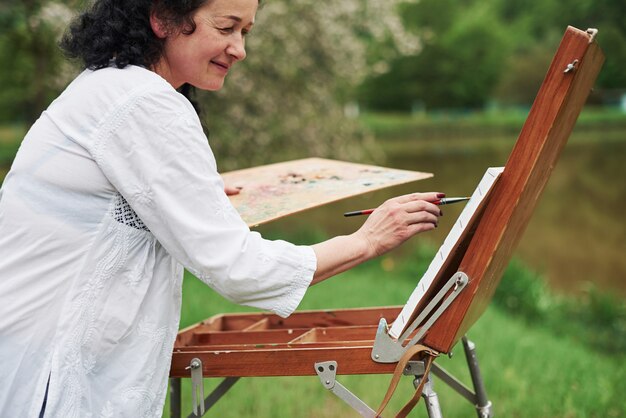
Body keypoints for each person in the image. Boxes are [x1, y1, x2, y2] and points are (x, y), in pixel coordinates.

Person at [0, 0, 443, 416]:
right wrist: (367, 240)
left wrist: (197, 196)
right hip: (54, 376)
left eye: (246, 31)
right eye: (227, 27)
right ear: (164, 18)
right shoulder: (145, 101)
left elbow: (115, 205)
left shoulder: (110, 85)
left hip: (35, 357)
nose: (241, 49)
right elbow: (238, 267)